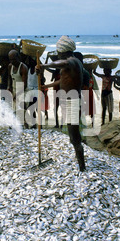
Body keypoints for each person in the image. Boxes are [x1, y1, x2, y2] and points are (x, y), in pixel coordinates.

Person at [38, 35, 86, 171]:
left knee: (75, 137)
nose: (58, 54)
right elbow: (63, 81)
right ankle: (80, 162)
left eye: (59, 52)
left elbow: (62, 64)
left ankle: (82, 167)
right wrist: (47, 85)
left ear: (63, 51)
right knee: (73, 136)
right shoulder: (70, 65)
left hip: (72, 102)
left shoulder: (73, 61)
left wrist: (44, 65)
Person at [8, 49, 28, 126]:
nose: (12, 61)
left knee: (22, 109)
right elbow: (9, 78)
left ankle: (26, 125)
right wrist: (9, 87)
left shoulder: (23, 68)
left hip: (22, 90)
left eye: (14, 59)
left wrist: (17, 94)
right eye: (10, 60)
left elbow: (24, 85)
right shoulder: (10, 66)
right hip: (14, 89)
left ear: (18, 58)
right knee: (14, 109)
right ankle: (13, 124)